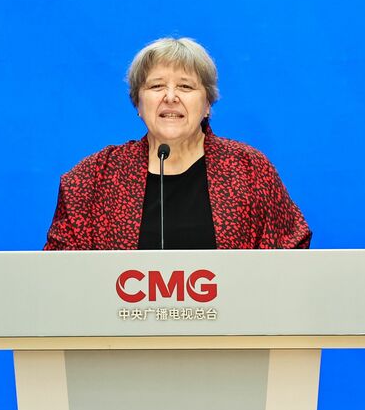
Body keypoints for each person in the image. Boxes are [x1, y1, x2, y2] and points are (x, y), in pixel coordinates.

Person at [44, 37, 310, 250]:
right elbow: (60, 272)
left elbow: (291, 255)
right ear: (138, 103)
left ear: (207, 104)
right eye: (156, 86)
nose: (170, 97)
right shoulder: (93, 178)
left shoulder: (249, 170)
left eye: (185, 87)